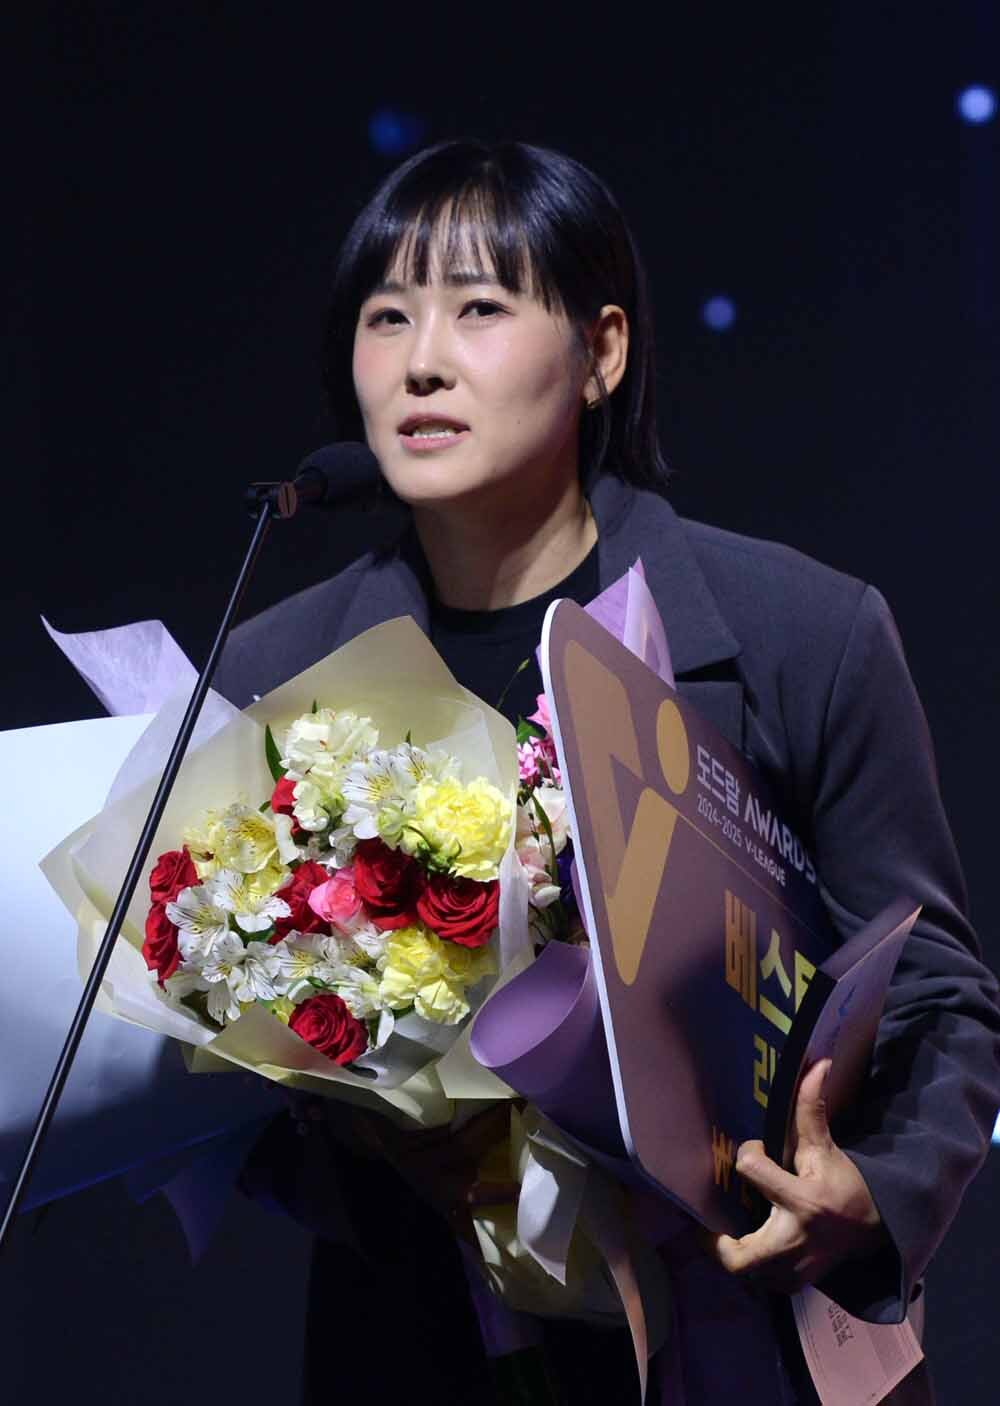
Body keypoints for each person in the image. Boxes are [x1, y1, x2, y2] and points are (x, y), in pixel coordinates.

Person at [214, 140, 1000, 1404]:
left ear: (602, 352)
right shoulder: (271, 675)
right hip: (414, 1340)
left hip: (736, 1320)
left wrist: (872, 1189)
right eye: (386, 316)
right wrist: (375, 1158)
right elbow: (209, 1070)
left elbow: (939, 993)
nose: (422, 360)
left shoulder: (799, 630)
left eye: (479, 307)